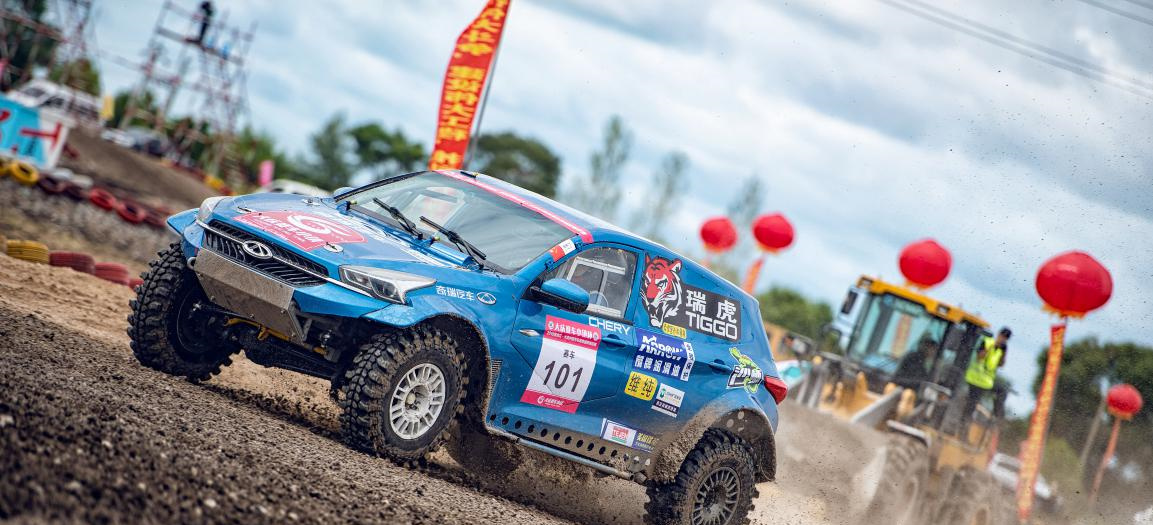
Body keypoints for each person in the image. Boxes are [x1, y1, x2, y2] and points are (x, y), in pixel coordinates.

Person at [960, 327, 1010, 434]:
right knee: (970, 407)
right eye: (1003, 336)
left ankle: (998, 417)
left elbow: (1001, 364)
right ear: (999, 334)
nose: (1003, 339)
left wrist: (1004, 353)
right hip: (975, 379)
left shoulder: (1001, 350)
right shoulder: (987, 342)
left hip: (986, 382)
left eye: (1006, 338)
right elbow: (980, 357)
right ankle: (962, 432)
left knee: (1002, 390)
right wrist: (993, 346)